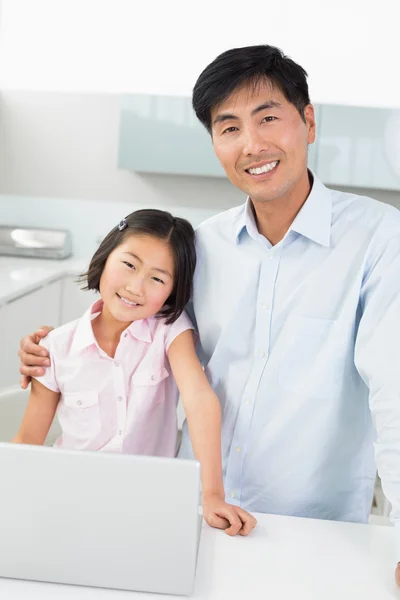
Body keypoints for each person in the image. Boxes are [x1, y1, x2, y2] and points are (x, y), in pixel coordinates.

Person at [19, 45, 400, 581]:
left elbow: (395, 395)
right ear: (215, 143)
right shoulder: (202, 247)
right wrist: (49, 346)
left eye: (268, 117)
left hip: (314, 526)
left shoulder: (380, 239)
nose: (253, 144)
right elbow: (135, 324)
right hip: (191, 513)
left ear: (308, 122)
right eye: (230, 128)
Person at [13, 208, 256, 536]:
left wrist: (213, 493)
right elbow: (28, 438)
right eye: (129, 264)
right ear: (106, 254)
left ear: (173, 291)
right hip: (69, 500)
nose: (135, 287)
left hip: (150, 504)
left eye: (157, 278)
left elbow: (198, 398)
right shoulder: (56, 346)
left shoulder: (170, 331)